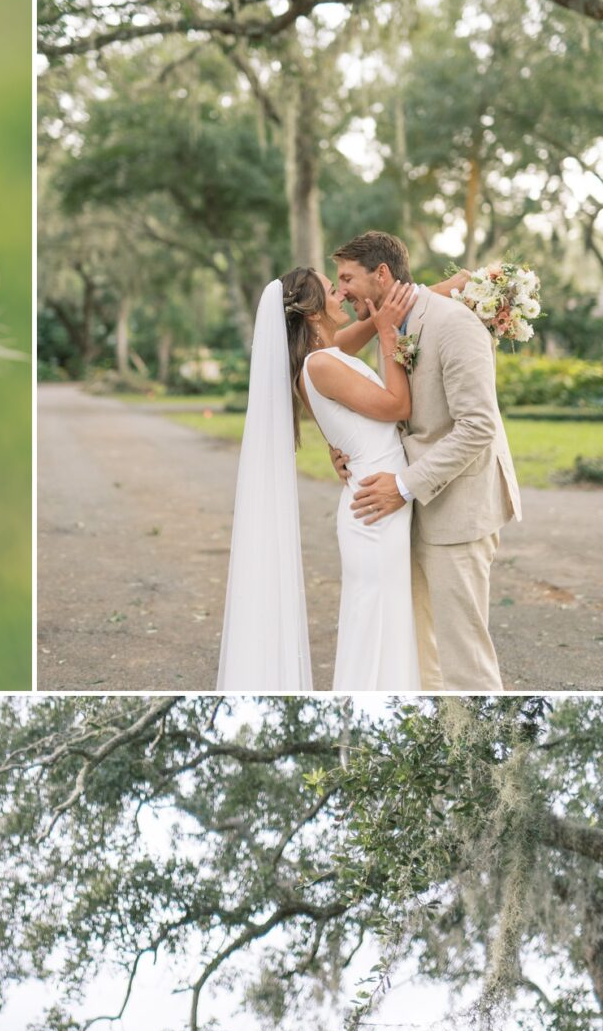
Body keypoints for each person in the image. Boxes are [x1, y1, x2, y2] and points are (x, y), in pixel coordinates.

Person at [216, 228, 520, 693]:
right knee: (391, 630)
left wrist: (446, 289)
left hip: (427, 503)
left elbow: (470, 422)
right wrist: (386, 337)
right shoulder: (324, 361)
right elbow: (393, 405)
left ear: (380, 274)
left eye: (345, 279)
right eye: (332, 285)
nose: (341, 291)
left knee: (429, 645)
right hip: (380, 508)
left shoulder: (334, 349)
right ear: (314, 310)